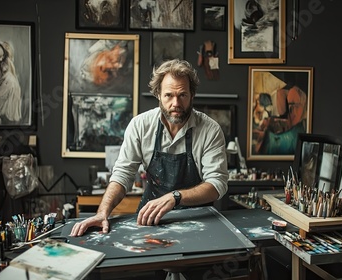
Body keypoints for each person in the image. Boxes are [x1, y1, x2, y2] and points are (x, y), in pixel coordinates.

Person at [70, 59, 228, 236]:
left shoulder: (210, 130)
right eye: (169, 95)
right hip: (152, 218)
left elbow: (217, 184)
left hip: (198, 219)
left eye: (182, 95)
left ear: (192, 95)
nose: (176, 103)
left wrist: (175, 197)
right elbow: (123, 174)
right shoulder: (140, 125)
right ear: (158, 95)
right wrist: (102, 213)